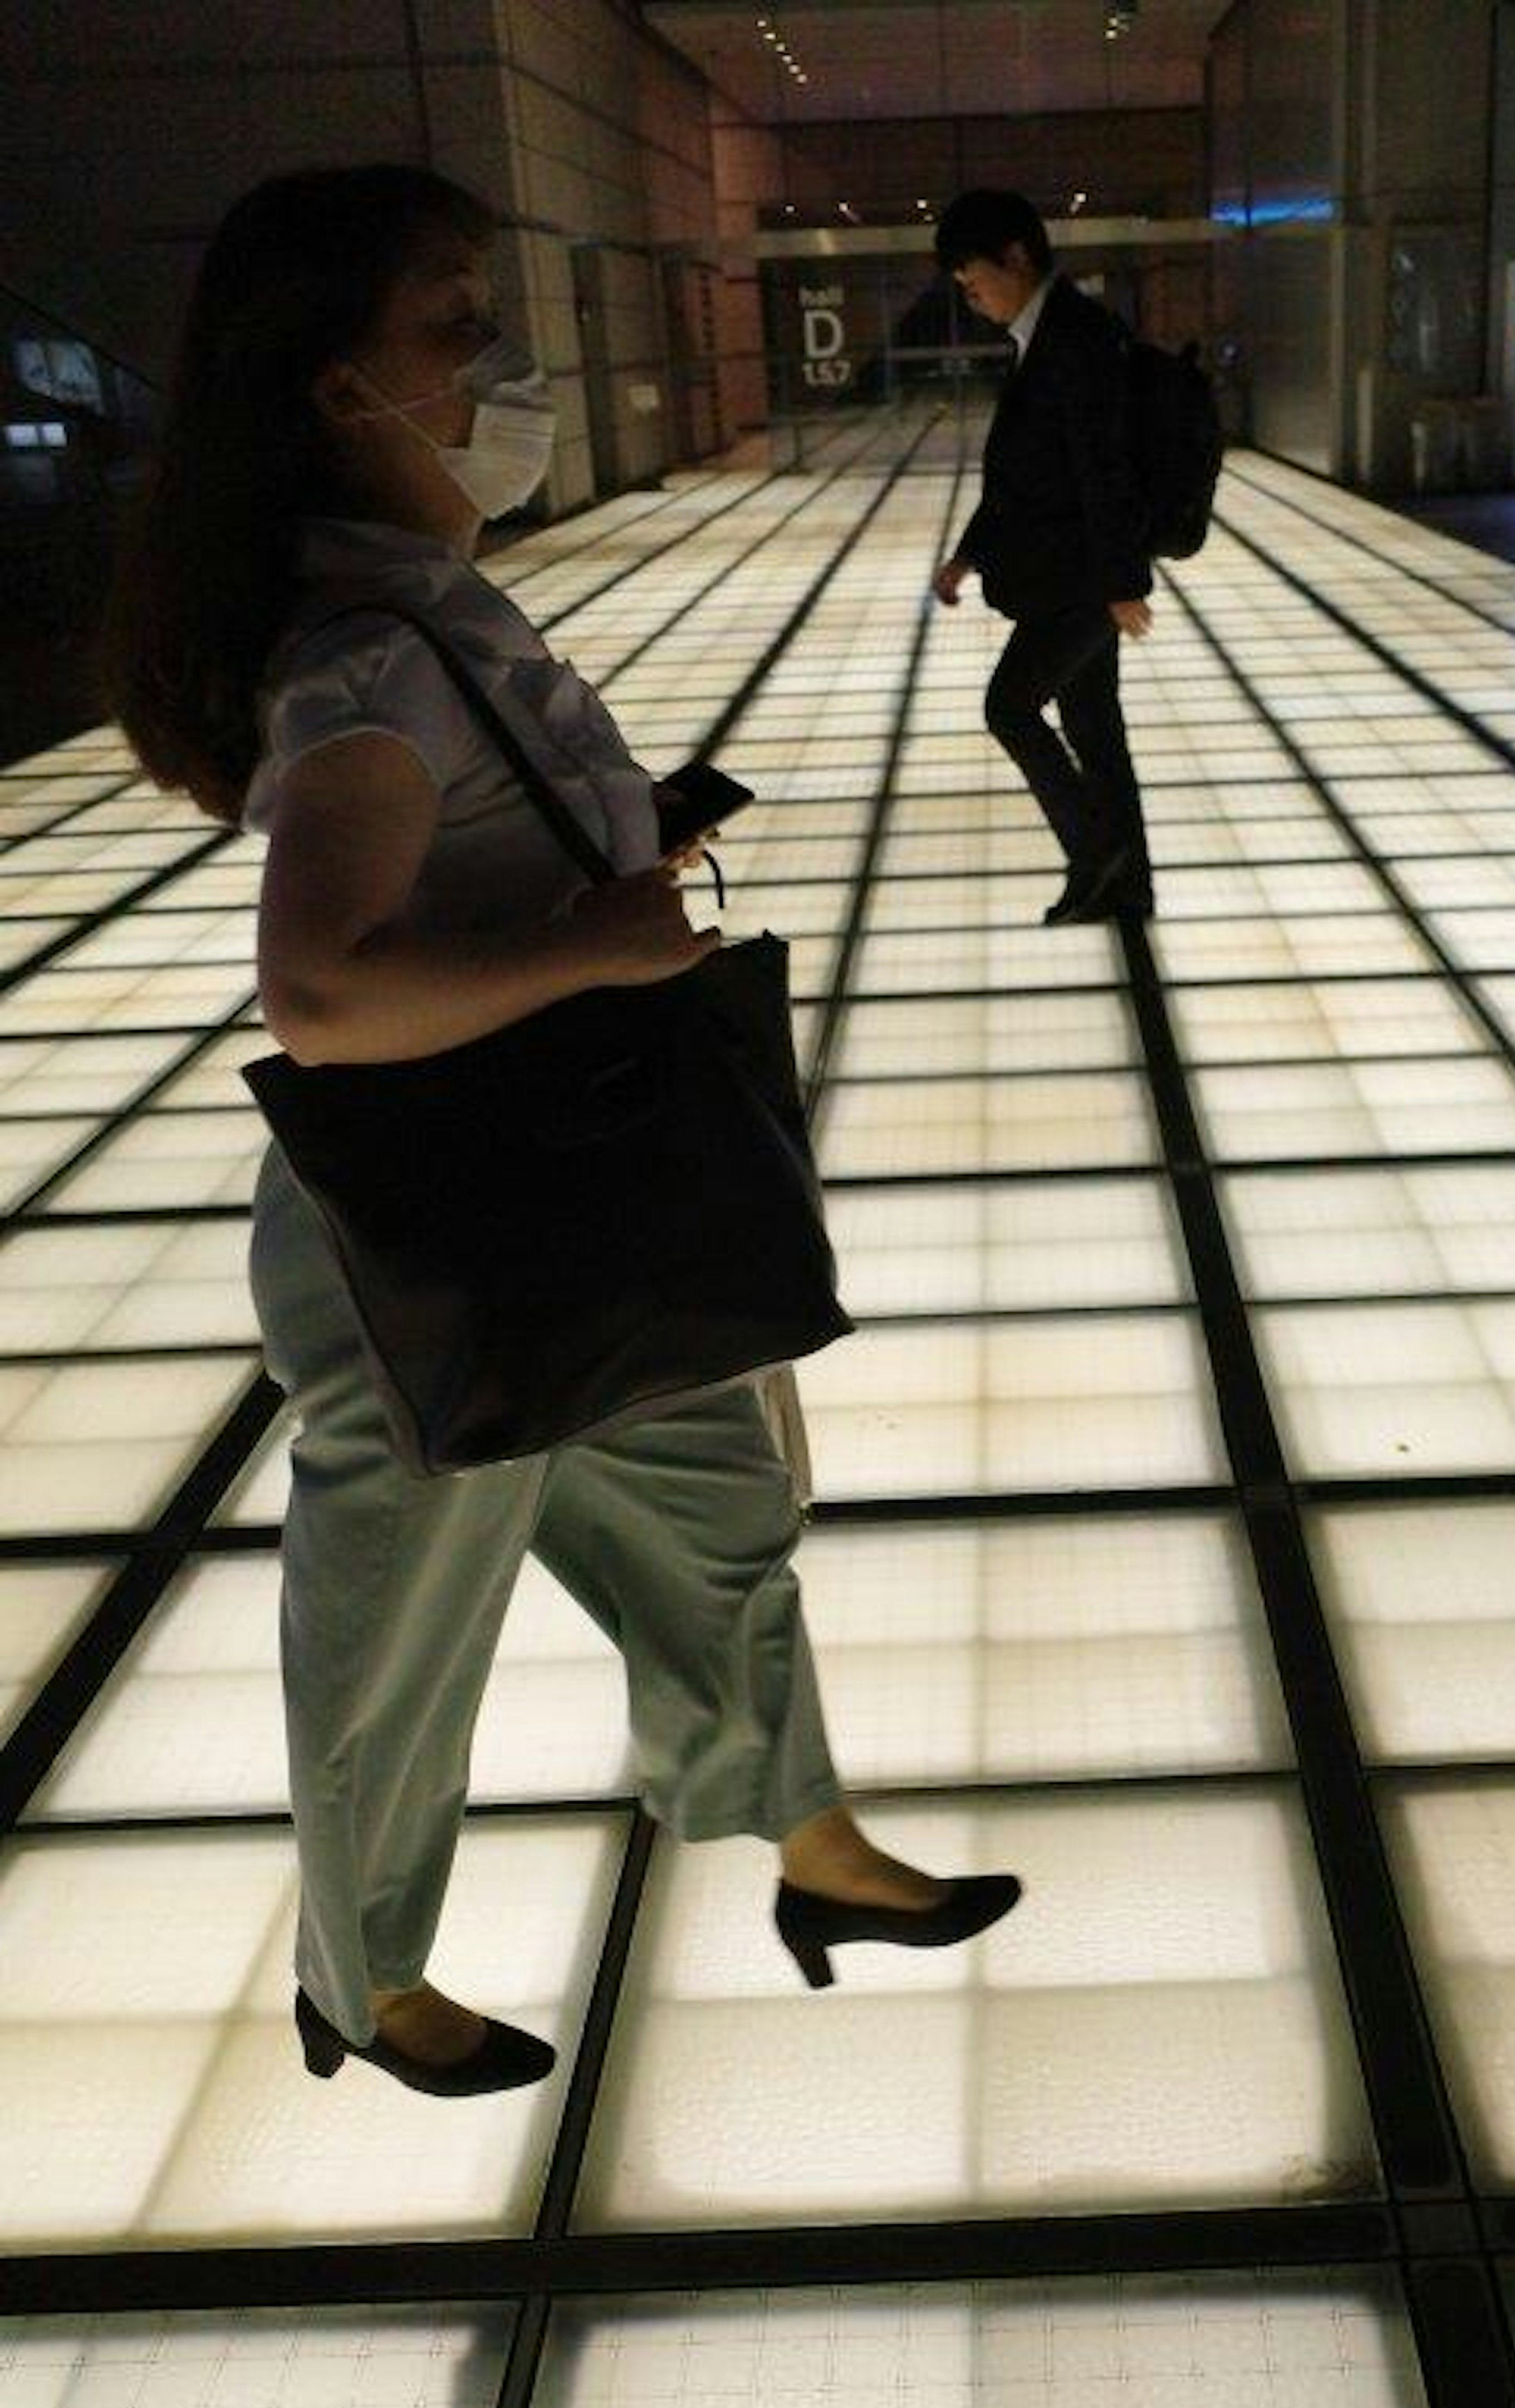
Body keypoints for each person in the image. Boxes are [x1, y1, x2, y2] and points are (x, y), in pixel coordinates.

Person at [102, 163, 1018, 2098]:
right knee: (396, 1637)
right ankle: (363, 1980)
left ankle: (802, 1836)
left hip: (575, 1205)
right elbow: (324, 996)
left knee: (724, 1527)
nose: (500, 362)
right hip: (434, 1251)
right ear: (331, 384)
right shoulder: (360, 664)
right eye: (451, 321)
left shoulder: (420, 604)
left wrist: (617, 851)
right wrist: (595, 937)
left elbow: (458, 870)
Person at [930, 190, 1156, 926]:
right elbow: (1029, 472)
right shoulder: (1044, 336)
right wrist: (967, 555)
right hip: (1072, 573)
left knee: (1011, 706)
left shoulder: (1076, 338)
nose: (972, 296)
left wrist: (1124, 583)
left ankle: (1097, 852)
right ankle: (1125, 889)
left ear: (1017, 256)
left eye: (975, 280)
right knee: (1094, 729)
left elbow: (1106, 468)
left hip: (1084, 581)